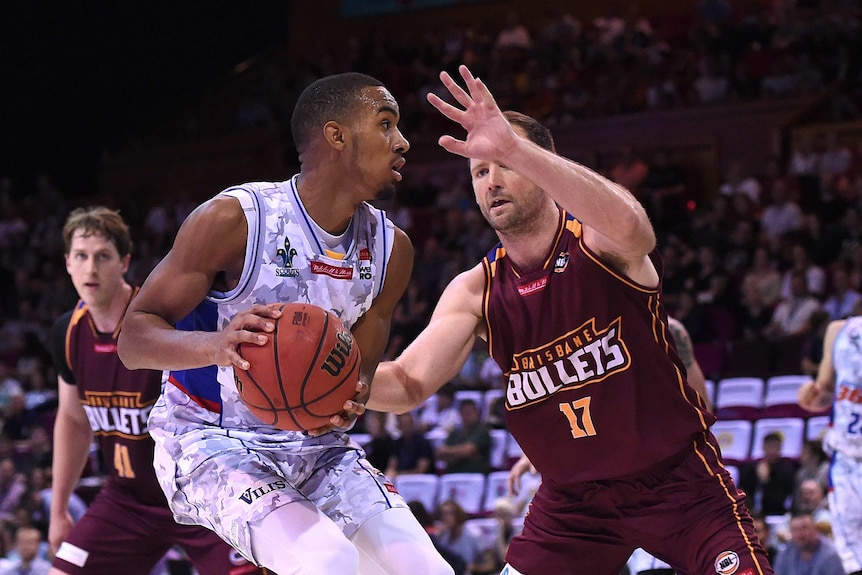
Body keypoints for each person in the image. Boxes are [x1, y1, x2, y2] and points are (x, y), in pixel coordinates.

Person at [367, 64, 772, 574]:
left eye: (503, 164)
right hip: (573, 507)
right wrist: (327, 380)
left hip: (678, 485)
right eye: (480, 172)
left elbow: (634, 229)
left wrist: (515, 147)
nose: (492, 181)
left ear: (541, 164)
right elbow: (406, 384)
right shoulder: (474, 290)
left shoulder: (597, 242)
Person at [117, 73, 454, 575]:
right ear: (336, 136)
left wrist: (347, 398)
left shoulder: (391, 251)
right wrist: (216, 345)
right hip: (211, 439)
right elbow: (133, 339)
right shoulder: (236, 219)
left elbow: (353, 379)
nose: (402, 142)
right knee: (330, 562)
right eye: (385, 124)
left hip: (317, 449)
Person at [47, 207, 260, 575]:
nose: (90, 269)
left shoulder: (159, 321)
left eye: (102, 257)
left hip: (199, 491)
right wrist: (59, 508)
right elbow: (73, 420)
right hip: (128, 501)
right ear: (67, 263)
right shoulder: (67, 333)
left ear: (125, 262)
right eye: (81, 257)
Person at [798, 312, 862, 575]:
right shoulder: (839, 330)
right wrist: (811, 397)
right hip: (847, 460)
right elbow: (824, 391)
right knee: (853, 556)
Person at [737, 431, 798, 516]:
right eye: (770, 447)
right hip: (751, 512)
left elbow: (782, 497)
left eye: (775, 447)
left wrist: (766, 481)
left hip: (776, 512)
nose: (772, 451)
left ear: (780, 448)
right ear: (763, 447)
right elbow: (743, 490)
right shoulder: (750, 468)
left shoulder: (787, 470)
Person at [771, 512, 845, 575]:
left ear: (815, 529)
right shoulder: (785, 553)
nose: (800, 534)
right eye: (795, 530)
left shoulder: (831, 555)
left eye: (804, 528)